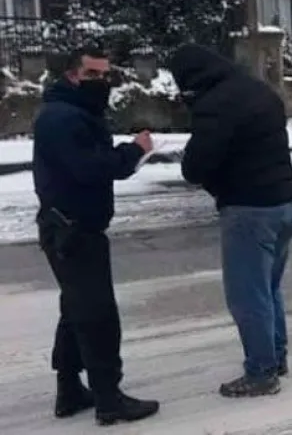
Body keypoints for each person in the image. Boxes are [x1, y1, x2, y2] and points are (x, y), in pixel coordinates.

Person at [32, 47, 160, 425]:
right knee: (98, 315)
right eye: (93, 75)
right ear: (72, 75)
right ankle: (109, 400)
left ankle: (70, 390)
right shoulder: (63, 118)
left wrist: (124, 158)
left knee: (75, 310)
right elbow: (90, 167)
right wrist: (131, 152)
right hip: (73, 230)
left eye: (106, 75)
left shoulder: (71, 112)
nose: (102, 82)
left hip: (69, 227)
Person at [167, 44, 292, 398]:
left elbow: (195, 167)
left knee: (247, 297)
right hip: (286, 203)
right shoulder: (257, 90)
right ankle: (275, 357)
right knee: (268, 289)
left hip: (249, 209)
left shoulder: (216, 104)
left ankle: (261, 373)